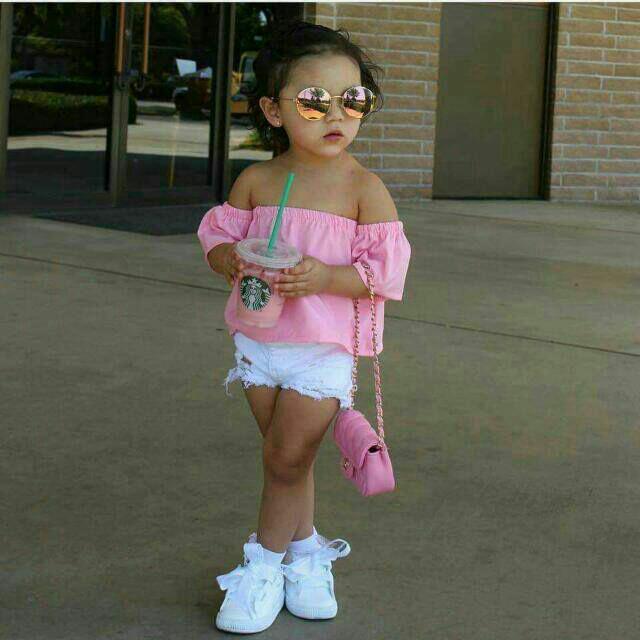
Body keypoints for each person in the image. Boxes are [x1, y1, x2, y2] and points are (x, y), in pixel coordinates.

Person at [196, 19, 411, 634]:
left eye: (353, 99)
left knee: (285, 459)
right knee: (289, 462)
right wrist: (227, 259)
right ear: (274, 110)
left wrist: (325, 276)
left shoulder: (364, 190)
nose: (335, 114)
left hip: (321, 351)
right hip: (258, 342)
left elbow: (384, 274)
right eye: (314, 102)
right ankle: (307, 555)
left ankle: (261, 568)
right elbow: (218, 237)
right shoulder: (258, 182)